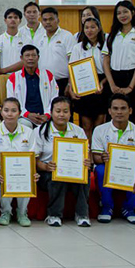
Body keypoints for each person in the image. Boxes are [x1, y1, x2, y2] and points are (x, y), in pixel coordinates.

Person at [91, 93, 135, 224]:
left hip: (130, 170)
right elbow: (95, 158)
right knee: (101, 170)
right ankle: (107, 207)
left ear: (130, 110)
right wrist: (103, 158)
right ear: (109, 111)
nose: (119, 112)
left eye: (123, 108)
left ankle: (129, 209)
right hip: (108, 169)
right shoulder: (99, 130)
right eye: (115, 108)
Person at [35, 97, 92, 228]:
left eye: (65, 111)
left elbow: (86, 152)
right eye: (58, 111)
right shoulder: (41, 131)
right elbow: (35, 160)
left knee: (84, 175)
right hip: (48, 172)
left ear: (70, 113)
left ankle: (82, 215)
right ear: (51, 112)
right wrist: (45, 166)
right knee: (56, 177)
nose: (61, 115)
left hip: (72, 171)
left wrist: (86, 163)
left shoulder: (78, 131)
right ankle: (54, 215)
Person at [0, 98, 38, 227]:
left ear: (19, 113)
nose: (10, 114)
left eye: (14, 111)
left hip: (21, 173)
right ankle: (6, 212)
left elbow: (32, 158)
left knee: (28, 180)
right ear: (1, 112)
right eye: (6, 110)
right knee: (1, 182)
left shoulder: (29, 132)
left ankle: (22, 212)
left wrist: (32, 173)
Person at [101, 0, 135, 126]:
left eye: (125, 12)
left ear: (132, 13)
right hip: (114, 79)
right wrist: (112, 85)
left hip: (133, 77)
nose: (122, 15)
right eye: (118, 13)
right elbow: (106, 61)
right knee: (112, 119)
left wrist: (130, 87)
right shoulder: (111, 36)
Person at [67, 16, 108, 139]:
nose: (89, 30)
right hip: (83, 86)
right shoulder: (78, 47)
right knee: (86, 125)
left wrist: (103, 83)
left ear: (99, 28)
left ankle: (98, 153)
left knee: (100, 124)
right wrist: (71, 89)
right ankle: (88, 153)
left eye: (93, 27)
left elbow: (110, 70)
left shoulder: (106, 45)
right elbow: (72, 69)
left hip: (102, 85)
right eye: (86, 28)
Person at [6, 45, 58, 128]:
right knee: (25, 125)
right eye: (27, 55)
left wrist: (47, 115)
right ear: (21, 58)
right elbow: (12, 103)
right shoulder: (13, 78)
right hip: (24, 117)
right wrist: (27, 114)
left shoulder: (48, 75)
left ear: (38, 57)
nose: (31, 58)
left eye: (34, 55)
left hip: (45, 116)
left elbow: (54, 98)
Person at [38, 7, 74, 95]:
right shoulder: (38, 37)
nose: (48, 22)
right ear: (41, 22)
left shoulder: (67, 36)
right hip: (43, 81)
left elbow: (72, 61)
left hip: (62, 82)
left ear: (58, 20)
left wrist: (70, 83)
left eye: (51, 19)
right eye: (45, 20)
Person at [0, 7, 28, 75]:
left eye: (15, 17)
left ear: (20, 21)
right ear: (5, 20)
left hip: (22, 75)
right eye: (10, 17)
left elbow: (26, 60)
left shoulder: (27, 40)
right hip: (3, 76)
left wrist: (3, 70)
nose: (13, 20)